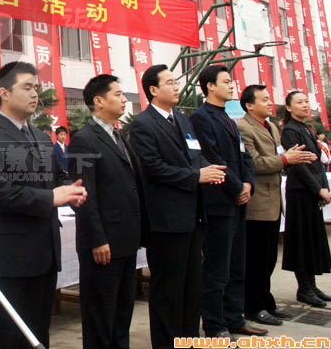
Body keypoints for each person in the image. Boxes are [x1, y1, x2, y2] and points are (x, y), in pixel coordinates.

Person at [0, 61, 87, 349]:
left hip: (44, 254)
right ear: (5, 93)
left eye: (37, 88)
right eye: (27, 87)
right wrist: (51, 198)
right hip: (9, 258)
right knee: (7, 336)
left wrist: (72, 189)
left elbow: (55, 176)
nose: (35, 94)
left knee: (37, 333)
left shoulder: (41, 137)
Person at [130, 64, 226, 349]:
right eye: (170, 82)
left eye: (176, 82)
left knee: (190, 288)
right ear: (153, 90)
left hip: (192, 217)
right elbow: (153, 168)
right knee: (167, 290)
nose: (176, 87)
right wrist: (196, 176)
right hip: (166, 221)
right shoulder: (143, 124)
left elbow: (196, 155)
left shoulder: (182, 119)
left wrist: (211, 170)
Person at [67, 74, 144, 349]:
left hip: (125, 240)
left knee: (122, 312)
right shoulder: (84, 140)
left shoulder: (118, 136)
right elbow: (84, 197)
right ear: (99, 101)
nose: (124, 100)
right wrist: (97, 239)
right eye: (118, 94)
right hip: (104, 244)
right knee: (101, 315)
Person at [190, 65, 266, 337]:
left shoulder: (230, 119)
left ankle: (235, 318)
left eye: (231, 81)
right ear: (210, 86)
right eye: (225, 81)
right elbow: (212, 157)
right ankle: (214, 324)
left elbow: (245, 156)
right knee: (217, 269)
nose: (232, 85)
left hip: (238, 203)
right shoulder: (201, 118)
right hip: (218, 204)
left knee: (236, 266)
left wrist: (248, 185)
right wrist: (237, 187)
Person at [237, 85, 314, 324]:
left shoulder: (270, 127)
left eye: (270, 98)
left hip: (273, 203)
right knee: (256, 260)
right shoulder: (243, 127)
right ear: (250, 105)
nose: (270, 103)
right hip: (257, 203)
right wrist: (284, 159)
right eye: (264, 99)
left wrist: (291, 158)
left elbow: (279, 157)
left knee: (270, 258)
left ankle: (267, 302)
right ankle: (253, 307)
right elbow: (253, 163)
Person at [280, 91, 331, 307]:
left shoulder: (307, 128)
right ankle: (304, 288)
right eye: (299, 102)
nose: (304, 105)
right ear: (289, 107)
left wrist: (324, 187)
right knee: (301, 240)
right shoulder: (290, 131)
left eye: (306, 101)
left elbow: (318, 162)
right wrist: (318, 189)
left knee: (312, 239)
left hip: (311, 193)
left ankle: (312, 285)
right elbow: (299, 165)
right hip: (300, 193)